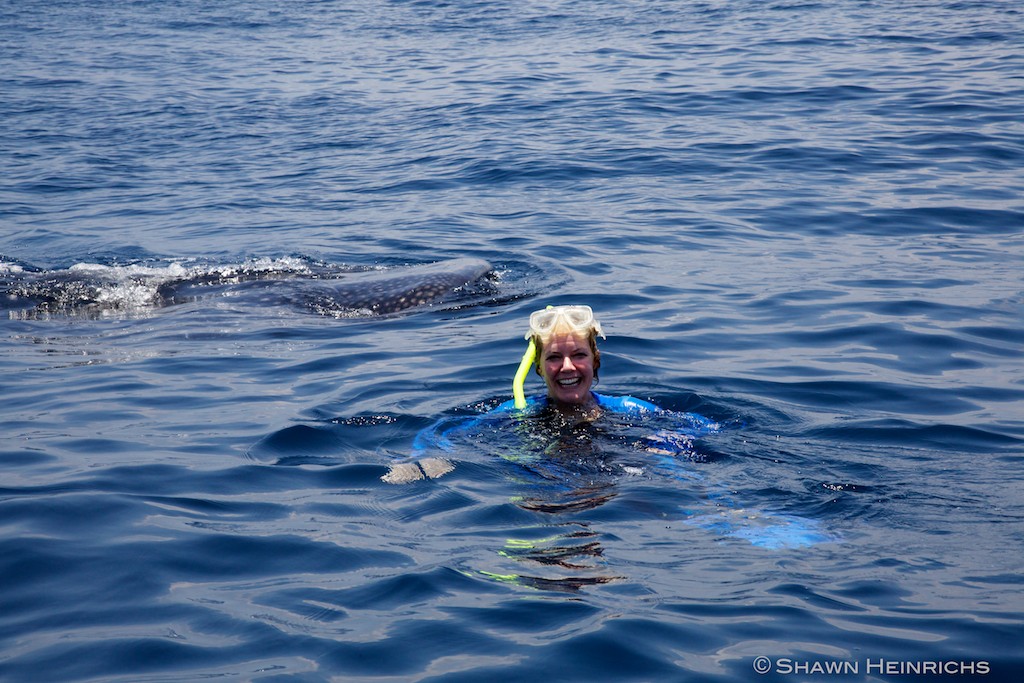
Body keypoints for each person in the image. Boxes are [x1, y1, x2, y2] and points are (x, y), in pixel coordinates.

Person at [382, 305, 718, 484]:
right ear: (539, 368)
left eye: (579, 355)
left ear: (595, 361)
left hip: (622, 479)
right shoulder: (514, 414)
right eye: (554, 358)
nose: (567, 367)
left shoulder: (628, 408)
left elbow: (706, 428)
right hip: (546, 486)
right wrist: (421, 458)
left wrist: (673, 440)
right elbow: (442, 433)